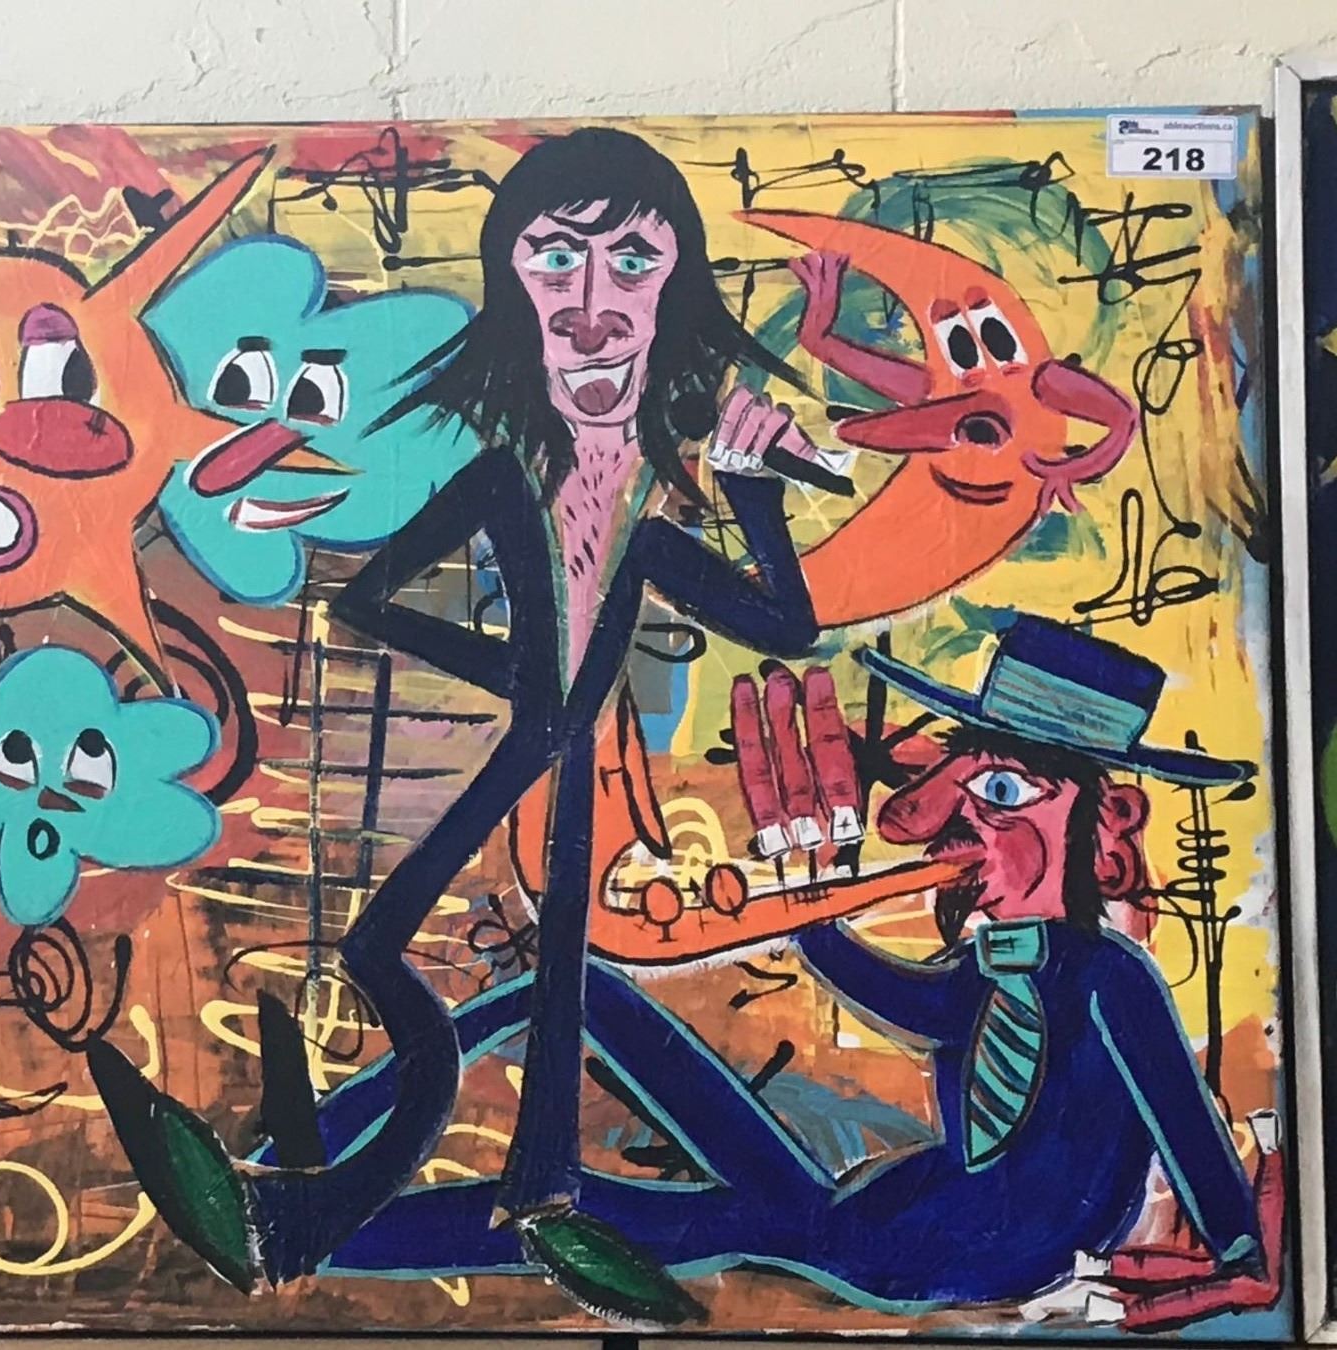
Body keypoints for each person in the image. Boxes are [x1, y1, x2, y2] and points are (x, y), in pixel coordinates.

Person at [88, 126, 828, 1322]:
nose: (591, 308)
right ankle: (433, 1203)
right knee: (388, 952)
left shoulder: (654, 509)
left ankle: (482, 1202)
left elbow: (786, 625)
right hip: (537, 749)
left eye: (633, 263)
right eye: (555, 261)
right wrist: (518, 677)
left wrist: (755, 498)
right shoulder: (503, 477)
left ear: (677, 290)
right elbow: (373, 600)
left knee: (534, 983)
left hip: (568, 782)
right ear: (512, 289)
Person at [275, 615, 1276, 1326]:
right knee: (565, 998)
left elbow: (1187, 1132)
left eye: (1004, 792)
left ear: (1098, 818)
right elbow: (896, 998)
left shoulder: (1110, 981)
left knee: (599, 1209)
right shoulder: (985, 971)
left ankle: (304, 1226)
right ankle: (302, 1169)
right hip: (869, 1217)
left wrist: (1239, 1259)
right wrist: (810, 900)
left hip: (930, 1251)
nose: (957, 816)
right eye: (963, 782)